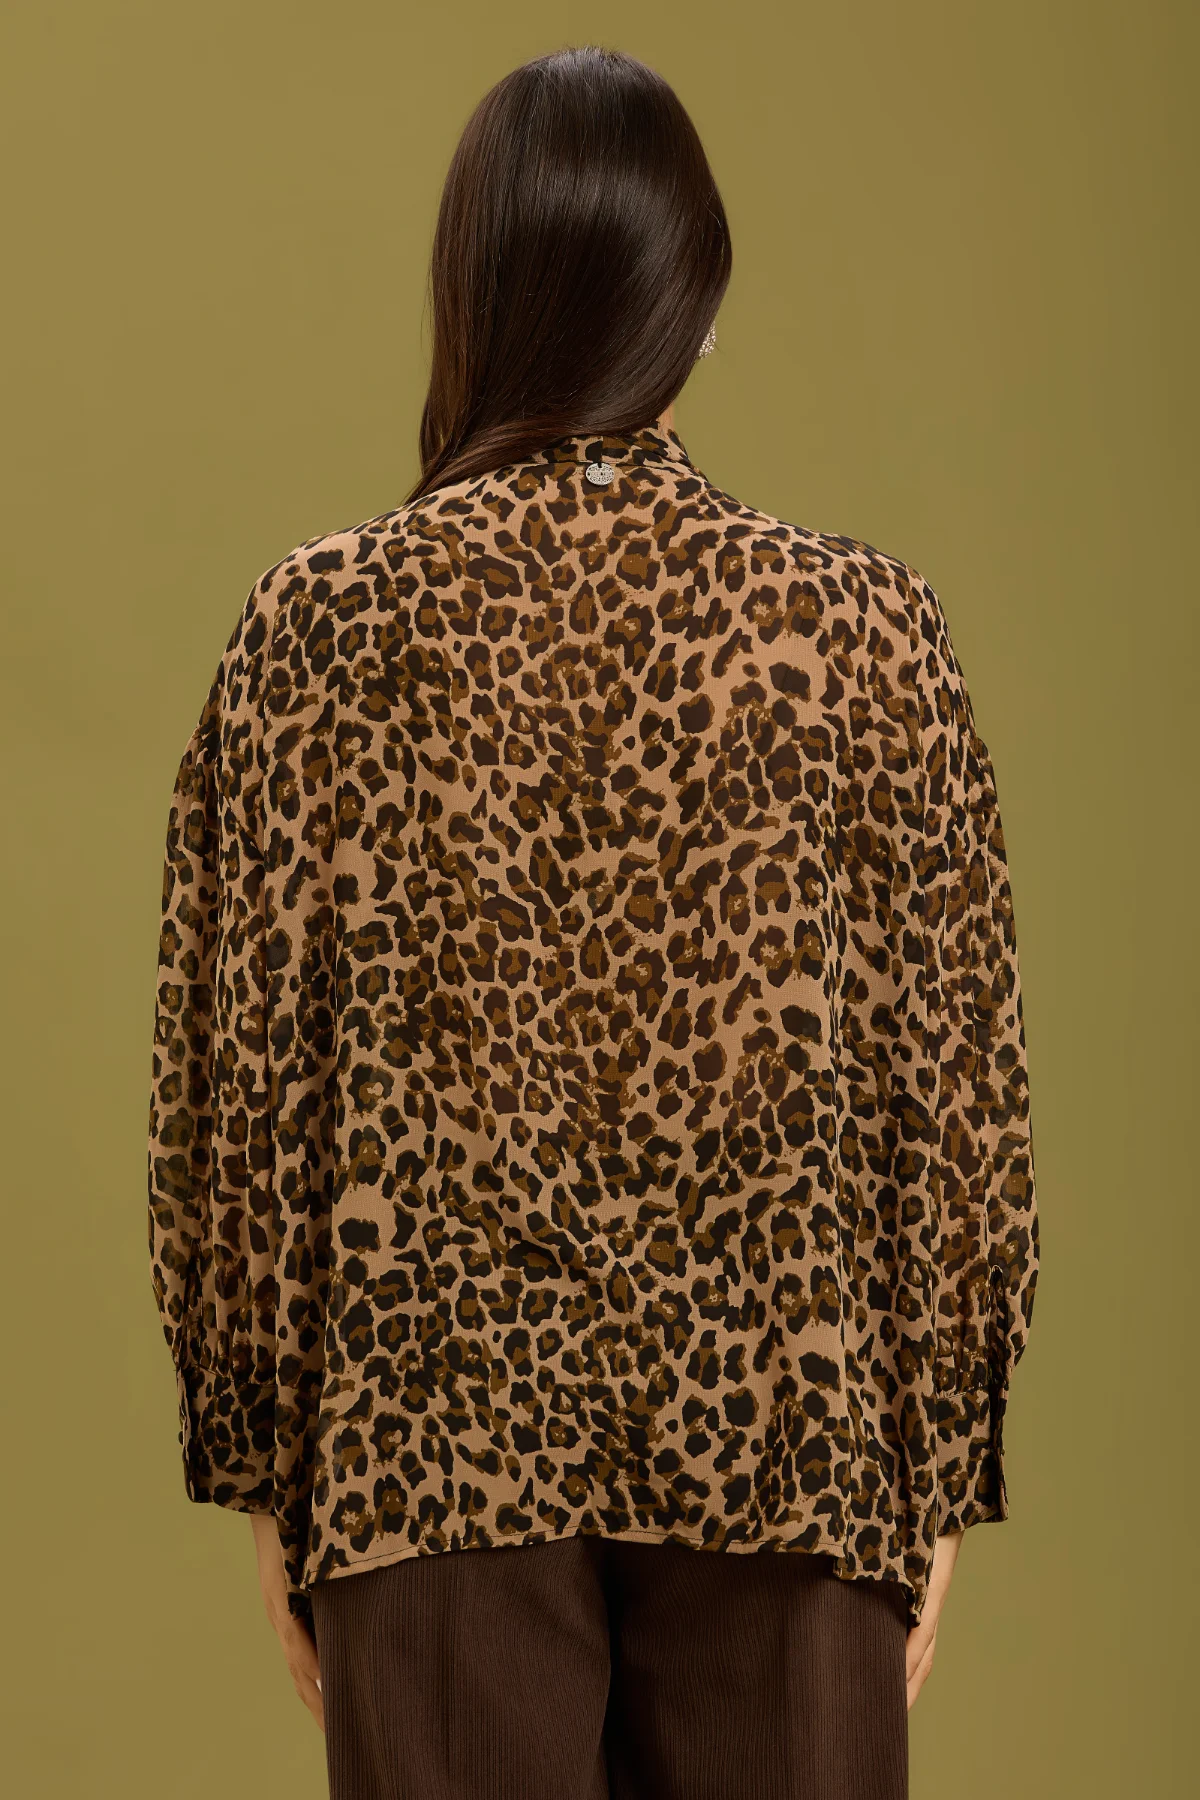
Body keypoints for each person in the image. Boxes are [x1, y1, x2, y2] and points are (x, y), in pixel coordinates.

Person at [147, 43, 1038, 1800]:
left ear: (470, 298)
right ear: (698, 312)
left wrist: (273, 1466)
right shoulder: (867, 632)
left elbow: (235, 1092)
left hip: (429, 1443)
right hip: (791, 1439)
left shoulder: (317, 628)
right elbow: (959, 1087)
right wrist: (933, 1459)